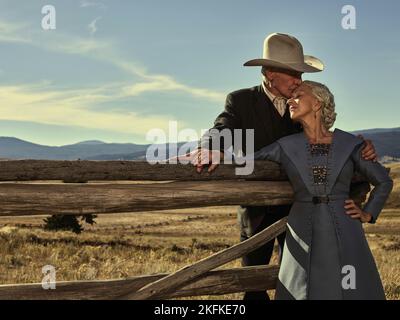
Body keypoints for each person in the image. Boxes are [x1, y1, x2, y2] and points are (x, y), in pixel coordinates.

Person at [185, 33, 377, 300]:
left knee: (306, 278)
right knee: (254, 282)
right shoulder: (241, 101)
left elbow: (326, 139)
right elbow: (222, 127)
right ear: (270, 73)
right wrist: (212, 147)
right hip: (257, 209)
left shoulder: (300, 101)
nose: (299, 80)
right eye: (293, 73)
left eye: (300, 74)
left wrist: (360, 146)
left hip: (302, 210)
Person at [249, 81, 393, 299]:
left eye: (298, 95)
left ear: (317, 103)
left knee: (350, 286)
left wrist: (368, 212)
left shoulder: (350, 143)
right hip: (301, 226)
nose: (290, 99)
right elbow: (246, 161)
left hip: (345, 226)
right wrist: (214, 153)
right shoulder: (284, 145)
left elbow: (383, 181)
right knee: (301, 287)